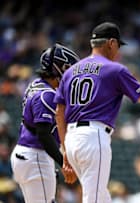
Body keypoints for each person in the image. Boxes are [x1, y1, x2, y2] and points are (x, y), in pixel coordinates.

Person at [54, 21, 140, 203]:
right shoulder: (114, 69)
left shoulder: (71, 71)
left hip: (71, 138)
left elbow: (59, 111)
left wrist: (64, 148)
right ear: (111, 43)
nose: (118, 51)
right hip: (93, 137)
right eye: (117, 45)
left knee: (101, 196)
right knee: (94, 198)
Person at [10, 44, 79, 202]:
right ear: (58, 68)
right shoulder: (47, 94)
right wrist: (64, 163)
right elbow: (43, 134)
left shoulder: (35, 85)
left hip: (27, 154)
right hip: (36, 155)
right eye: (69, 69)